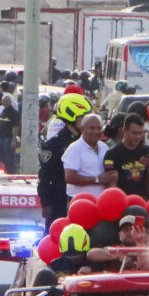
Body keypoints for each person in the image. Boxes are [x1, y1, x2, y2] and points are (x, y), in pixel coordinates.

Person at [38, 94, 92, 231]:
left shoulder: (90, 142)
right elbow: (44, 177)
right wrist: (46, 204)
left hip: (84, 201)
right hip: (60, 203)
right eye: (83, 117)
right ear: (71, 117)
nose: (87, 122)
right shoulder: (53, 145)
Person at [102, 113, 149, 198]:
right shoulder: (112, 154)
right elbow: (111, 184)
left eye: (140, 133)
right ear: (124, 130)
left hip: (143, 201)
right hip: (123, 201)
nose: (138, 137)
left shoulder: (147, 151)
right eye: (134, 133)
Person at [62, 114, 114, 197]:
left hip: (101, 202)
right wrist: (97, 179)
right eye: (92, 128)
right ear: (82, 129)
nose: (96, 131)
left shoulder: (104, 147)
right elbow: (70, 177)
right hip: (80, 202)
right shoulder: (75, 148)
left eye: (99, 128)